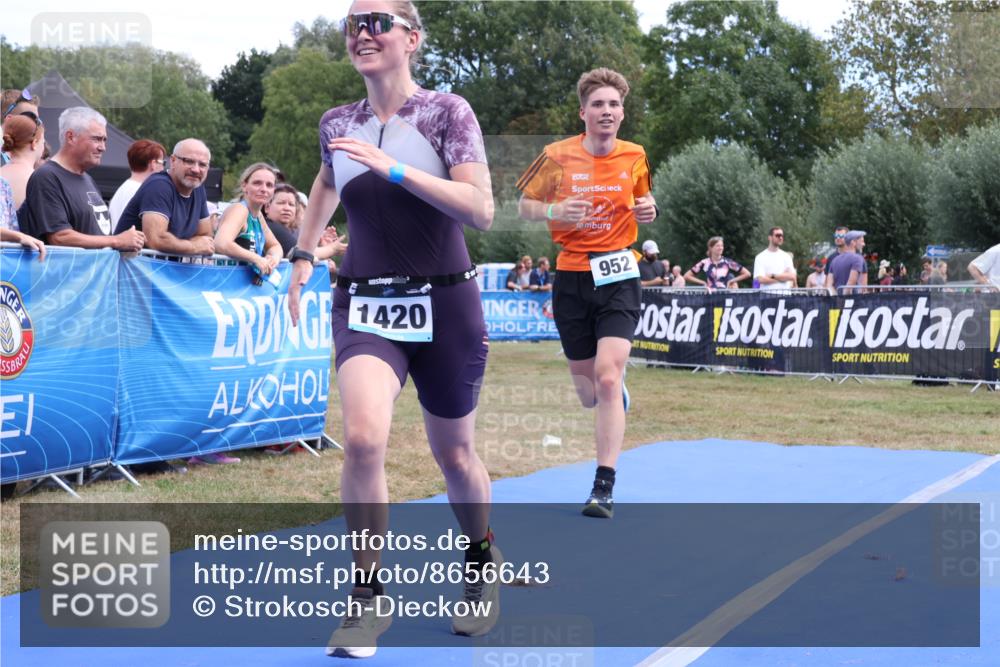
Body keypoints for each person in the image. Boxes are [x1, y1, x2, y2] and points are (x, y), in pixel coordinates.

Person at [284, 1, 497, 657]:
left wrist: (397, 169)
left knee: (454, 456)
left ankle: (481, 560)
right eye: (352, 24)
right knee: (363, 438)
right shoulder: (337, 123)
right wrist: (302, 252)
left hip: (446, 305)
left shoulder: (446, 112)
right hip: (366, 303)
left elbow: (482, 211)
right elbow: (324, 183)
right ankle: (368, 597)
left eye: (376, 20)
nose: (362, 33)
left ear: (412, 37)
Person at [517, 67, 657, 520]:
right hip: (572, 277)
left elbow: (644, 202)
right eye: (598, 104)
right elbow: (522, 206)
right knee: (588, 392)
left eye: (614, 104)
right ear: (583, 112)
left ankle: (603, 486)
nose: (606, 111)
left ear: (622, 113)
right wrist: (556, 208)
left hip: (618, 272)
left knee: (608, 376)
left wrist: (649, 209)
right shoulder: (555, 155)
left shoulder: (635, 155)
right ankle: (610, 389)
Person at [18, 107, 144, 251]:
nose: (103, 147)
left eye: (104, 140)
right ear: (71, 137)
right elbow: (59, 237)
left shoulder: (88, 179)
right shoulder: (47, 177)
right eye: (96, 139)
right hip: (66, 272)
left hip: (95, 272)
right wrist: (116, 241)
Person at [114, 139, 215, 256]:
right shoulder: (159, 185)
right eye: (189, 161)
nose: (196, 169)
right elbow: (156, 239)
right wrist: (194, 246)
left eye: (202, 164)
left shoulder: (198, 188)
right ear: (173, 161)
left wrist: (185, 245)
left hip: (161, 270)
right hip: (131, 270)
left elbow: (206, 236)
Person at [215, 162, 284, 288]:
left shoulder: (258, 216)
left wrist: (273, 259)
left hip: (239, 287)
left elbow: (275, 246)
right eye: (257, 183)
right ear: (244, 186)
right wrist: (256, 259)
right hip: (223, 283)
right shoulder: (239, 210)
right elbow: (221, 243)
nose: (263, 189)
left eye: (269, 185)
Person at [108, 139, 166, 227]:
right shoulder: (143, 192)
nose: (163, 168)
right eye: (163, 163)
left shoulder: (124, 188)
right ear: (154, 164)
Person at [1, 114, 45, 209]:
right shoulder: (39, 181)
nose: (43, 147)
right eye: (42, 141)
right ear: (34, 144)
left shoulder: (2, 174)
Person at [1, 177, 46, 260]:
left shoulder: (3, 185)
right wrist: (19, 237)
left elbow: (12, 227)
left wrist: (21, 238)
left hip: (6, 264)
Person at [684, 236, 750, 291]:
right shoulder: (704, 262)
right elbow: (686, 276)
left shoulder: (727, 262)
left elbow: (747, 273)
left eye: (722, 246)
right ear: (711, 248)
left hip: (724, 295)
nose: (721, 248)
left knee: (721, 307)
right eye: (717, 246)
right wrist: (703, 283)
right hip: (710, 297)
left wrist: (731, 281)